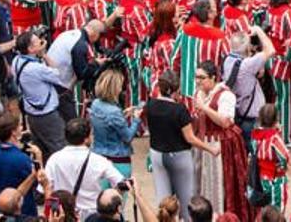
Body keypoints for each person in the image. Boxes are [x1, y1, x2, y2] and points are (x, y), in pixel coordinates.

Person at [145, 71, 217, 220]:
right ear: (175, 90)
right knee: (186, 202)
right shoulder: (179, 110)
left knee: (163, 200)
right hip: (179, 156)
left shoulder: (150, 104)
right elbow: (190, 138)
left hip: (157, 154)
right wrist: (211, 148)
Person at [192, 60, 250, 221]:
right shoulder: (200, 93)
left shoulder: (226, 95)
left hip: (222, 145)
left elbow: (225, 122)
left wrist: (204, 108)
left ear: (213, 77)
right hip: (205, 143)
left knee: (224, 186)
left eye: (201, 77)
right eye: (196, 77)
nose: (197, 81)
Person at [45, 117, 125, 218]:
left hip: (64, 214)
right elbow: (121, 183)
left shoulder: (54, 159)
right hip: (91, 214)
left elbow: (46, 188)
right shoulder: (99, 160)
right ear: (86, 138)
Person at [12, 29, 67, 156]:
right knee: (59, 148)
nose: (41, 42)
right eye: (38, 42)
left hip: (32, 113)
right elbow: (58, 74)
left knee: (40, 150)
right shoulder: (36, 68)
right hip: (47, 115)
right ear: (31, 49)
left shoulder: (16, 61)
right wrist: (44, 54)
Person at [0, 112, 41, 216]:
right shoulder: (21, 159)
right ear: (13, 132)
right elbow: (37, 182)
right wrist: (38, 157)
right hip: (23, 209)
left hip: (0, 205)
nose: (22, 128)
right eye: (19, 126)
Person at [89, 69, 141, 179]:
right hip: (118, 159)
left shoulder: (95, 104)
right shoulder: (114, 112)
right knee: (119, 195)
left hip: (98, 155)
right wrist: (136, 119)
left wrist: (123, 115)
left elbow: (107, 123)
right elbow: (128, 137)